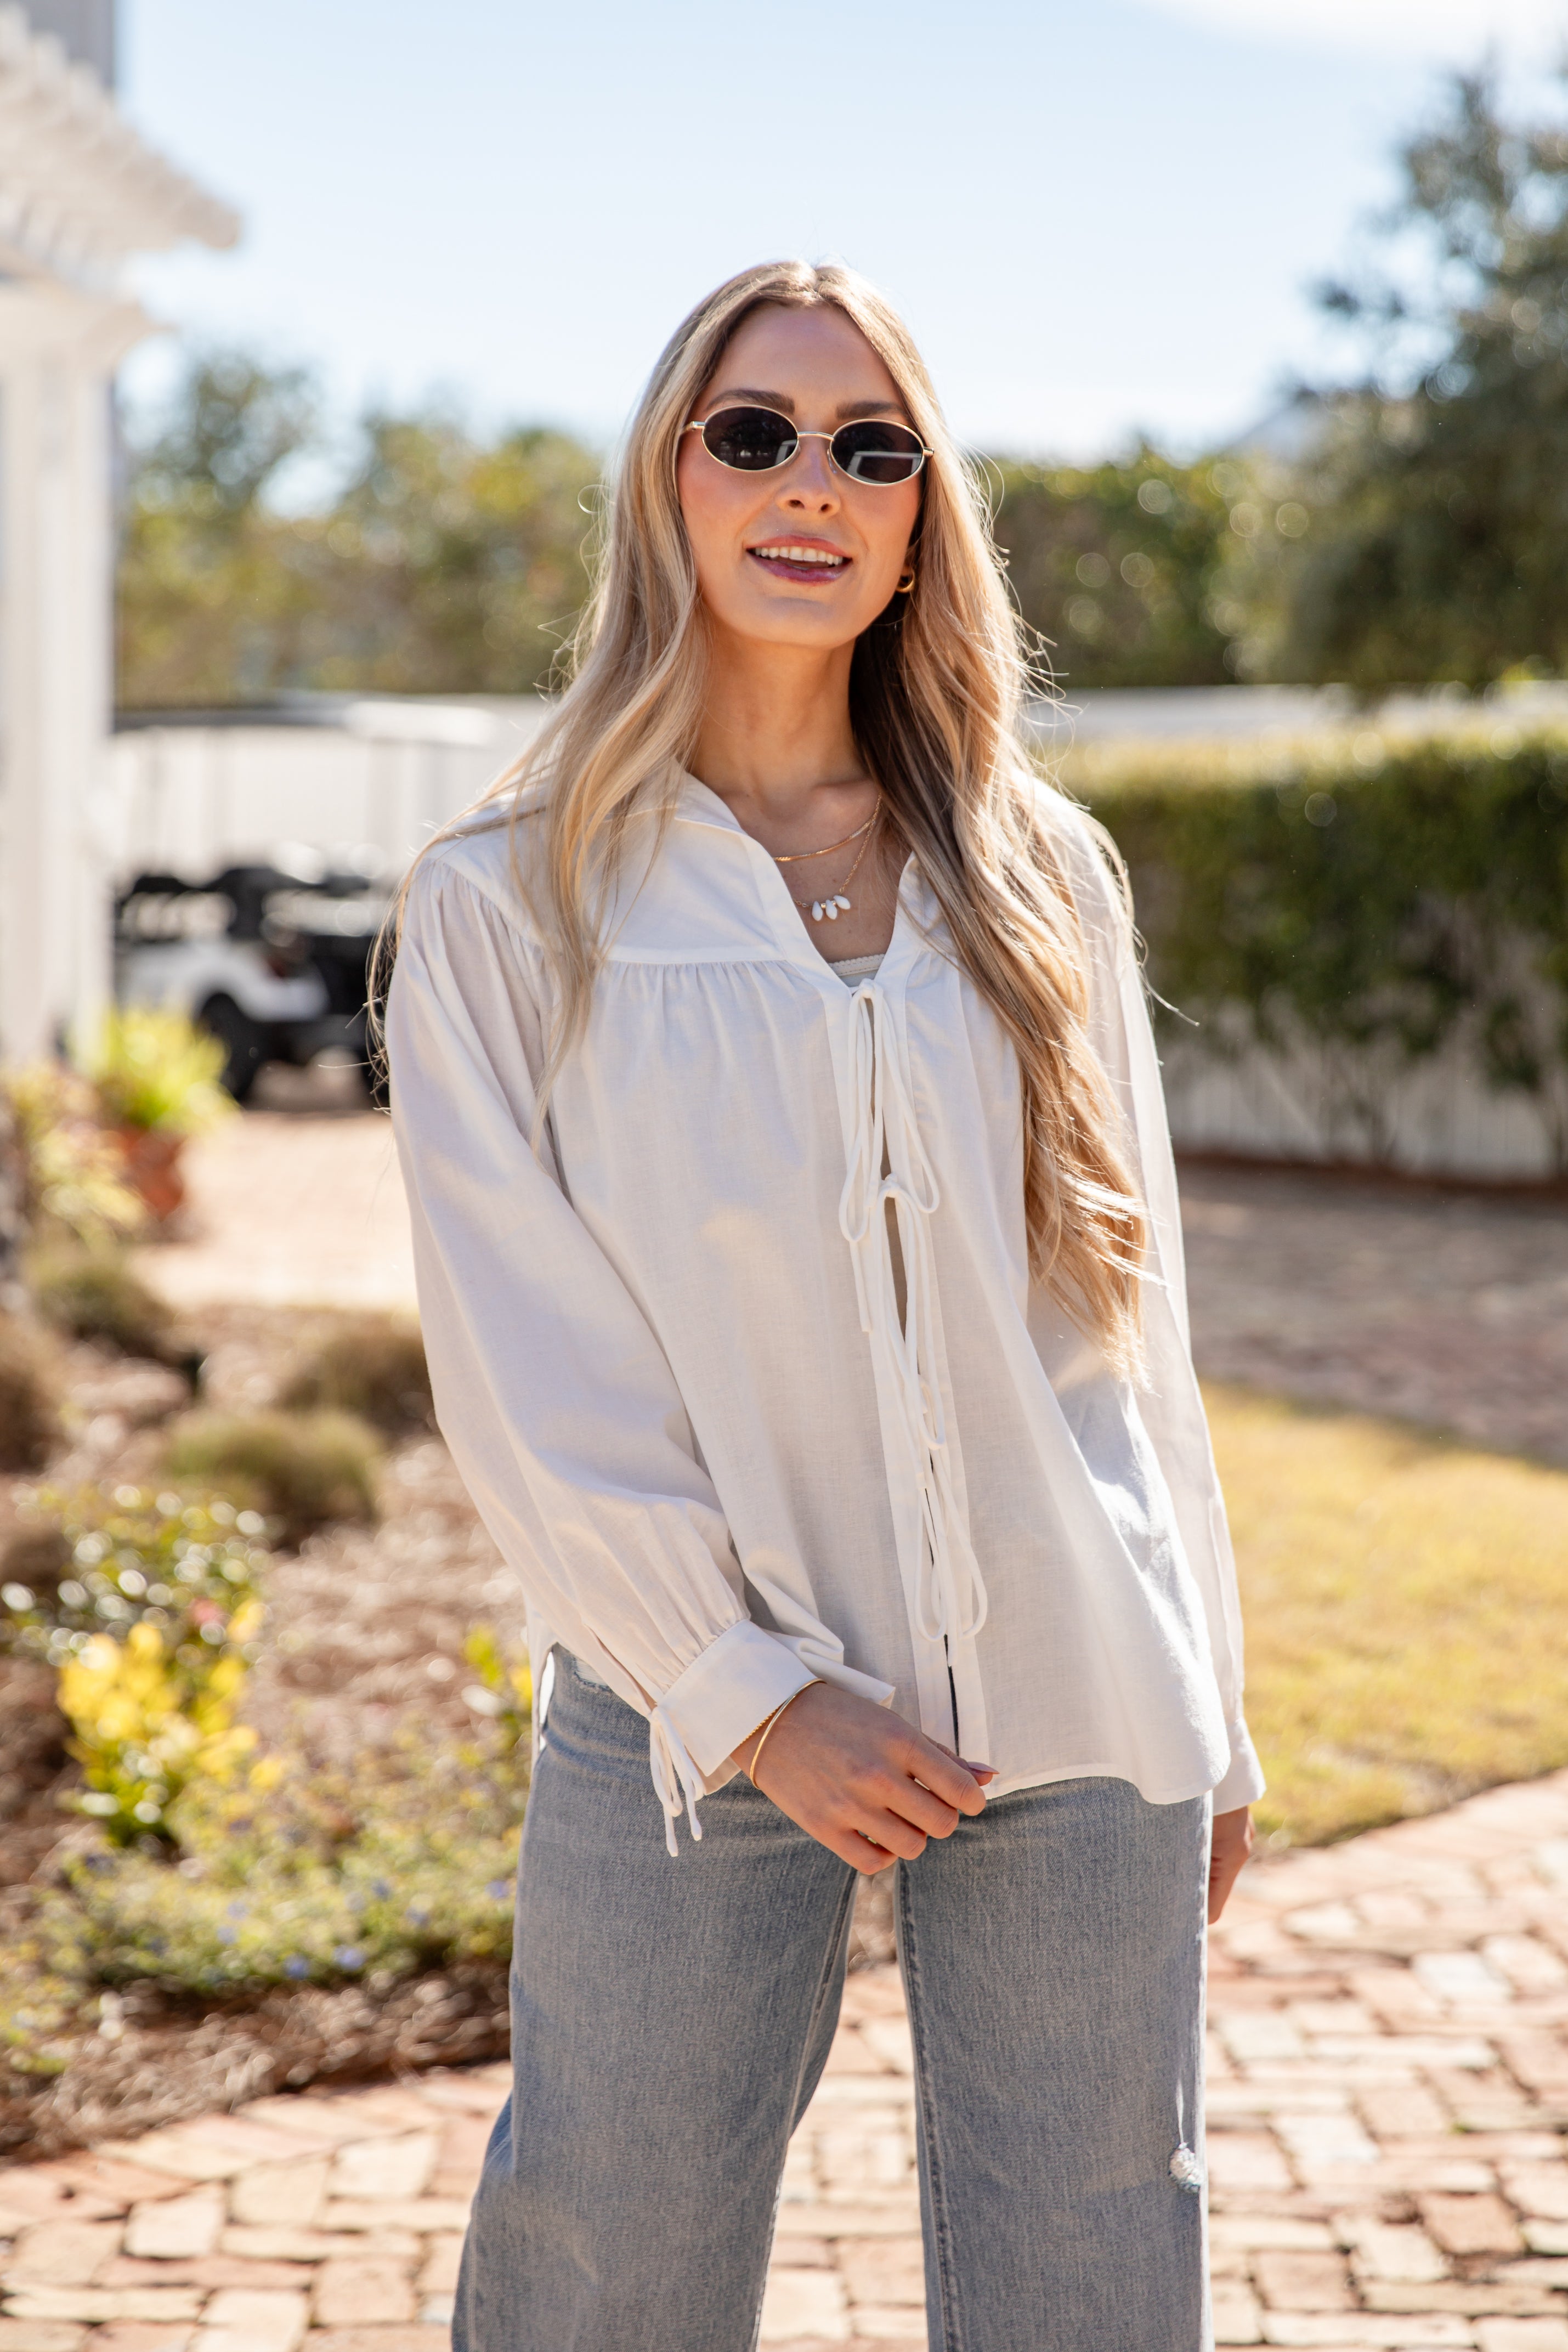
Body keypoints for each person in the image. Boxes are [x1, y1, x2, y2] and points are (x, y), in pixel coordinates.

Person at [384, 258, 1262, 2352]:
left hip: (1072, 1683)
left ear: (922, 513)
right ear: (668, 479)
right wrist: (752, 1692)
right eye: (757, 433)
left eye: (873, 448)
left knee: (1093, 2276)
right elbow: (524, 1370)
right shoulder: (510, 901)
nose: (813, 485)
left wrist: (1205, 1705)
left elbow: (1124, 1330)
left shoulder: (1038, 874)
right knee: (606, 2267)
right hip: (690, 1710)